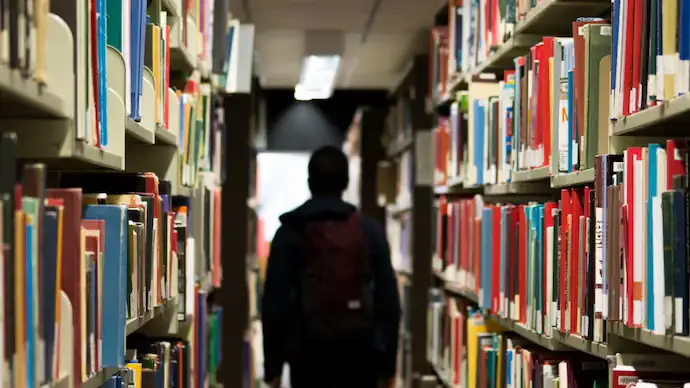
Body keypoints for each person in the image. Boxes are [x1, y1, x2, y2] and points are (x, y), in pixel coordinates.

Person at [261, 145, 401, 388]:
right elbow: (389, 303)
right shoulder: (369, 232)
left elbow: (275, 303)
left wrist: (272, 367)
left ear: (309, 182)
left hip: (307, 356)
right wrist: (388, 365)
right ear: (346, 183)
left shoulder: (289, 233)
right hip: (360, 355)